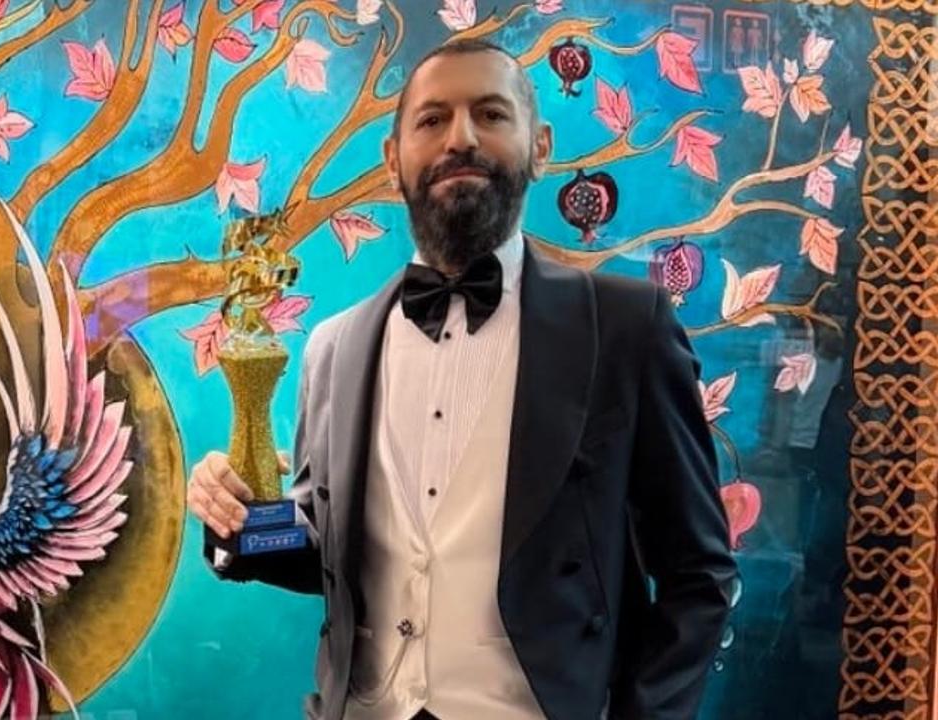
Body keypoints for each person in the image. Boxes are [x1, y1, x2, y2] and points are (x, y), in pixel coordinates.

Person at [187, 38, 737, 720]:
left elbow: (699, 574)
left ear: (539, 146)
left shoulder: (627, 329)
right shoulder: (332, 349)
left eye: (491, 114)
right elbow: (328, 551)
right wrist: (239, 520)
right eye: (432, 119)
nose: (461, 138)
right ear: (393, 160)